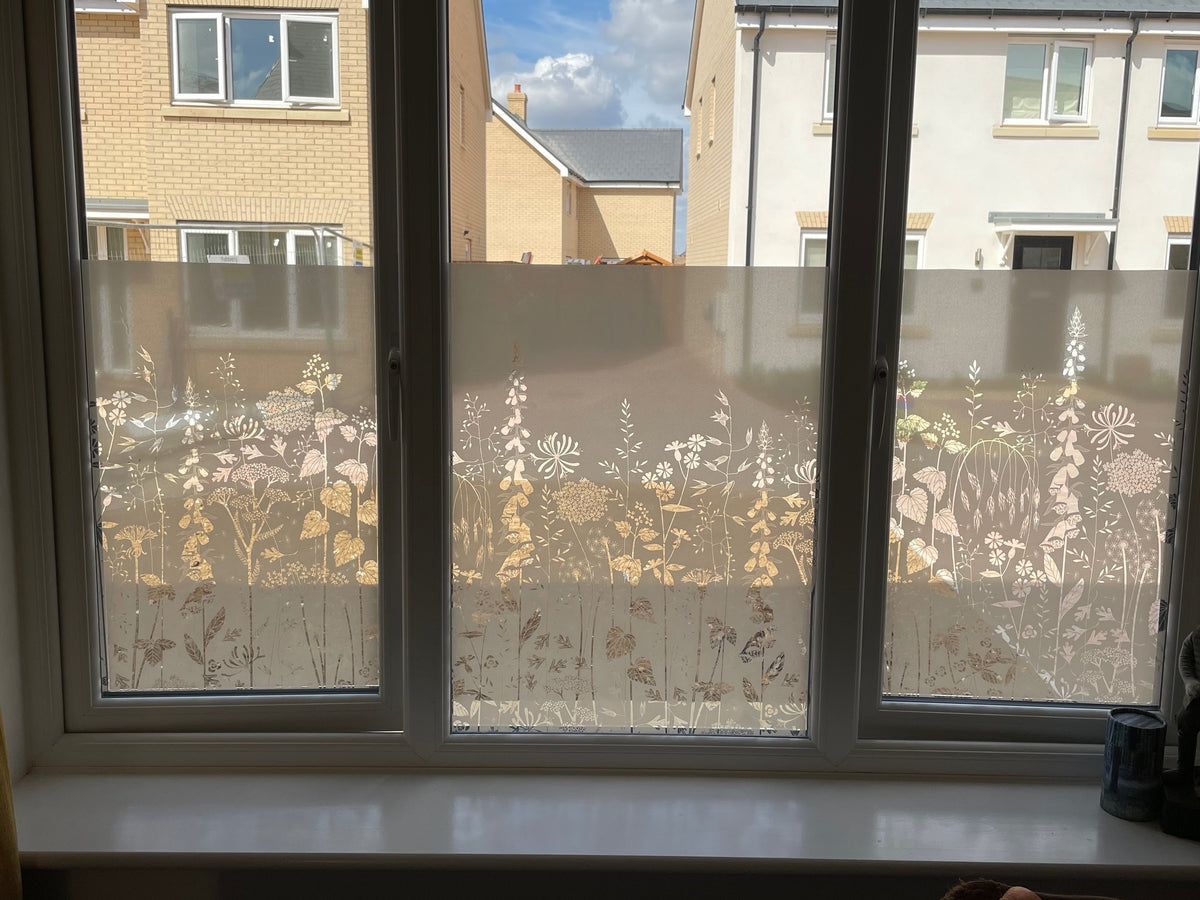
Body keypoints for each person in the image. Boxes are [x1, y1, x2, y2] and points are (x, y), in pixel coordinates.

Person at [1178, 622, 1200, 790]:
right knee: (1185, 720)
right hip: (1197, 696)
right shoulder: (1195, 636)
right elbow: (1185, 658)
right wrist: (1190, 681)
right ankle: (1184, 773)